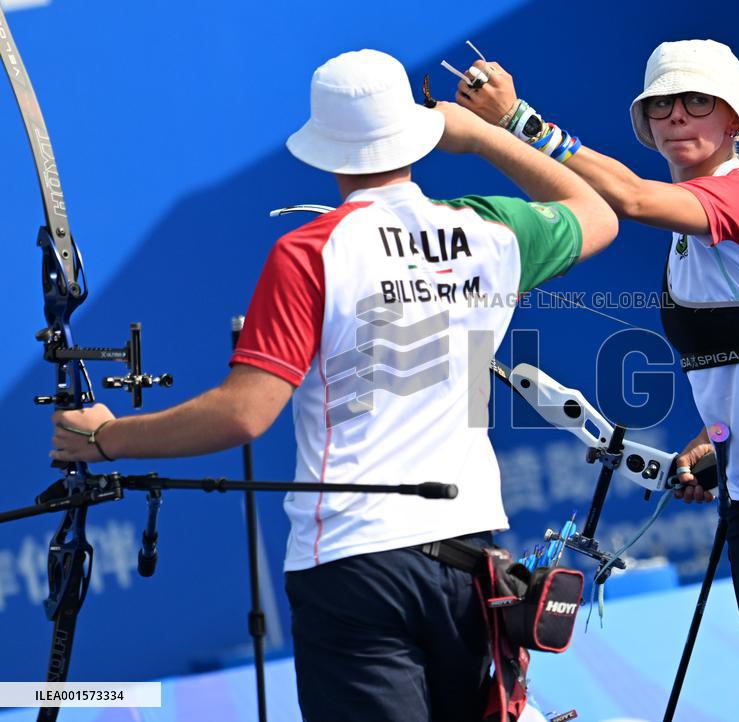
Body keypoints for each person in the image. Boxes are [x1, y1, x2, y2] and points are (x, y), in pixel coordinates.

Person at [49, 49, 617, 722]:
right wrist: (475, 134)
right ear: (419, 132)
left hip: (355, 563)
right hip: (470, 557)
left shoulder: (311, 251)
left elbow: (244, 414)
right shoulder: (489, 229)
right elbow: (596, 210)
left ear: (327, 151)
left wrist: (106, 439)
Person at [456, 40, 739, 722]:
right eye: (661, 105)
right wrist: (709, 442)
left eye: (698, 101)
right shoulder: (689, 231)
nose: (677, 115)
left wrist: (518, 120)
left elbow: (630, 197)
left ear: (733, 122)